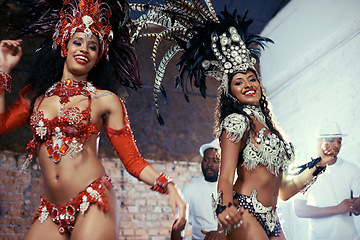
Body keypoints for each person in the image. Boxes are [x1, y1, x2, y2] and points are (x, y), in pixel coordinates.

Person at [130, 1, 337, 239]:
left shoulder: (273, 129)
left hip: (272, 218)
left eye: (252, 78)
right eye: (239, 81)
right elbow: (226, 176)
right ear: (230, 91)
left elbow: (285, 191)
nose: (248, 84)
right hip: (244, 211)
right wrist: (225, 207)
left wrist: (320, 164)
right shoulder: (236, 123)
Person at [0, 0, 185, 239]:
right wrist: (4, 70)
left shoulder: (105, 100)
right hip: (51, 210)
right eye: (77, 42)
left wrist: (168, 185)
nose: (84, 49)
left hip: (93, 199)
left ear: (99, 56)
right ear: (64, 45)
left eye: (92, 46)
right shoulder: (36, 97)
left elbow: (132, 160)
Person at [294, 121, 360, 240]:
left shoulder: (352, 169)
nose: (336, 145)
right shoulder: (307, 171)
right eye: (331, 140)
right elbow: (299, 210)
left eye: (339, 141)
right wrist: (337, 209)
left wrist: (354, 205)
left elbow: (356, 210)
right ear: (320, 141)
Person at [171, 139, 223, 240]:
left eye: (215, 160)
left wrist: (220, 233)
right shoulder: (190, 189)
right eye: (206, 159)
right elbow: (180, 223)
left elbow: (242, 223)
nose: (209, 164)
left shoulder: (232, 187)